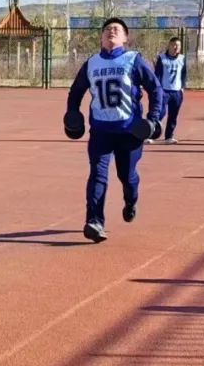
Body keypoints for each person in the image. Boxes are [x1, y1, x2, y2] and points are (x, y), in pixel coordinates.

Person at [65, 18, 163, 244]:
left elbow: (155, 89)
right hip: (100, 130)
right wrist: (72, 112)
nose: (111, 31)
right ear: (101, 37)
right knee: (98, 175)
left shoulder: (133, 60)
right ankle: (95, 221)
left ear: (125, 38)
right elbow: (76, 91)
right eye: (107, 29)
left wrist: (153, 118)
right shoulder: (92, 63)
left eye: (116, 29)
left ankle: (131, 200)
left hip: (130, 131)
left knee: (126, 177)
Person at [153, 37, 187, 144]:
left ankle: (169, 136)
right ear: (169, 45)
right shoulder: (162, 58)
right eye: (174, 45)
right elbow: (157, 74)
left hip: (176, 92)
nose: (176, 47)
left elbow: (184, 74)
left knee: (173, 115)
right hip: (164, 91)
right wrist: (158, 89)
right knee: (160, 113)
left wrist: (182, 87)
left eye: (179, 45)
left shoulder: (182, 58)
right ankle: (151, 135)